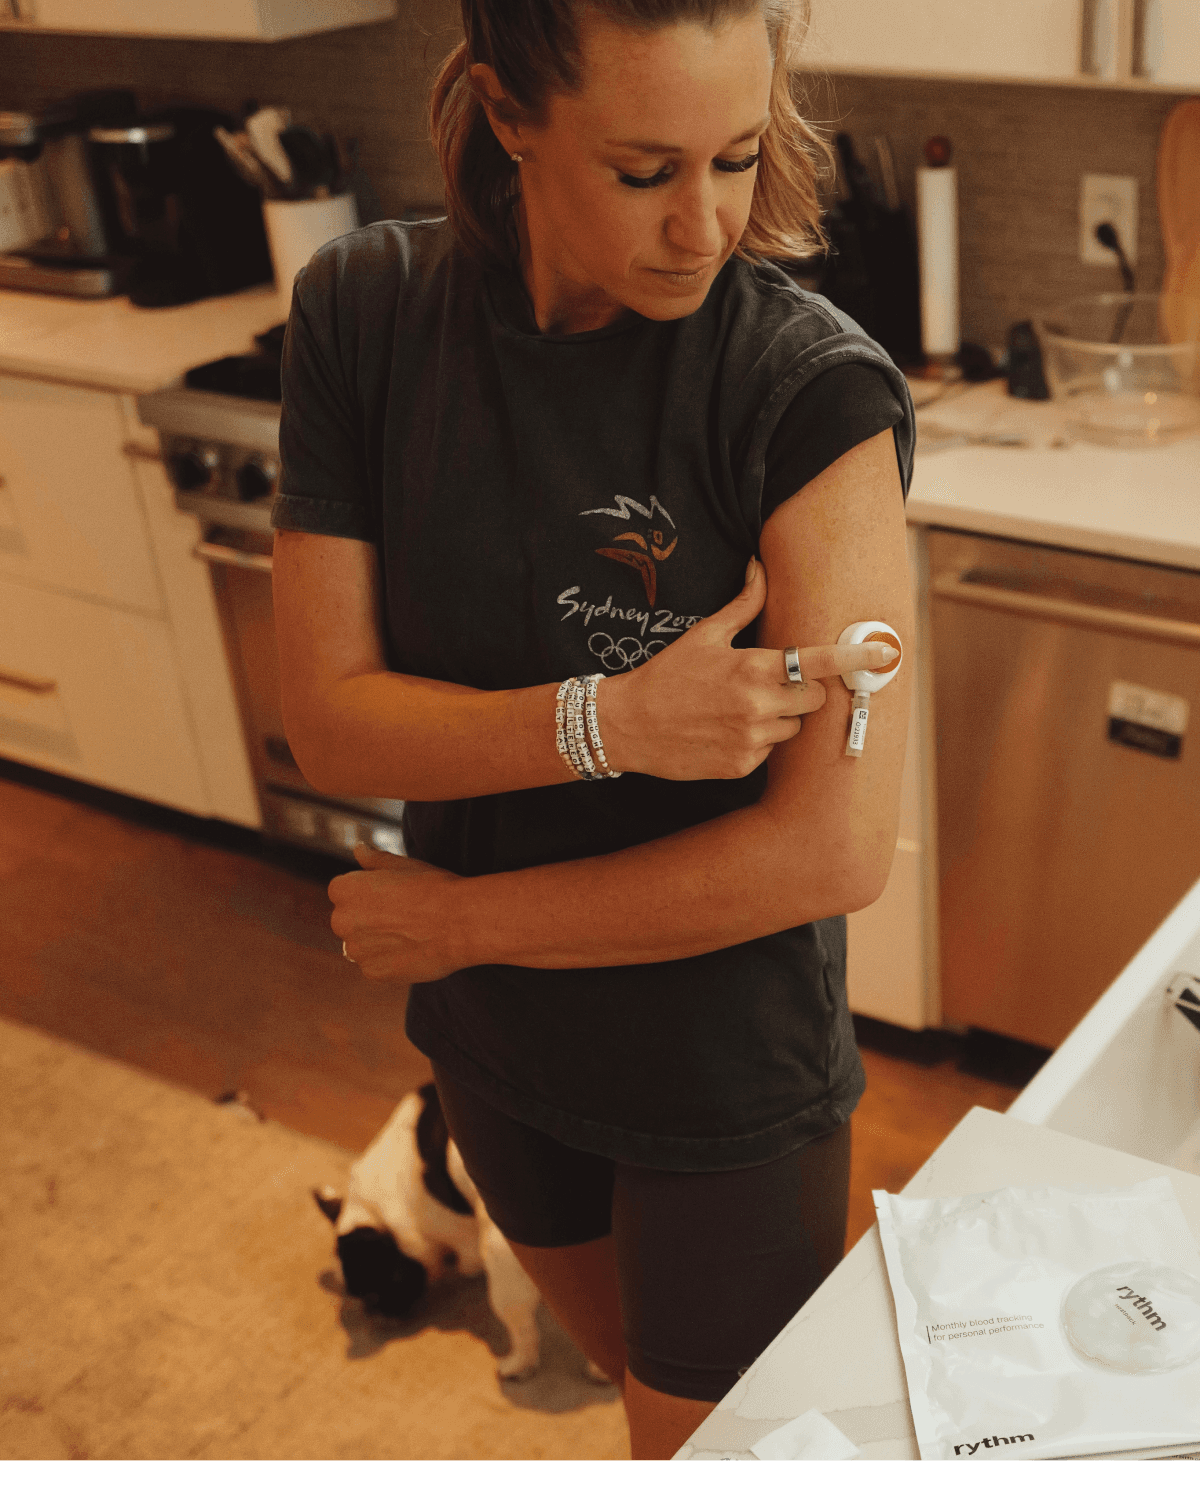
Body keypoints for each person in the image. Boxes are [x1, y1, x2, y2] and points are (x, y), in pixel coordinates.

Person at [271, 0, 915, 1461]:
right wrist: (604, 722)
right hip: (496, 1053)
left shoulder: (804, 393)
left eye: (739, 158)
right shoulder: (364, 314)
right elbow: (333, 725)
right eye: (645, 171)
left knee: (706, 1456)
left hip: (719, 1078)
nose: (705, 225)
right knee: (631, 1375)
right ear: (509, 116)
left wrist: (465, 924)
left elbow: (830, 848)